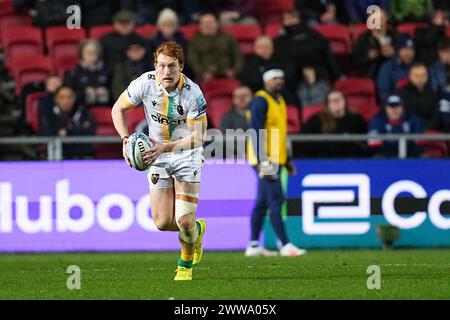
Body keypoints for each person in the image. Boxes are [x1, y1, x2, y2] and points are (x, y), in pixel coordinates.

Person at [111, 41, 208, 281]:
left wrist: (168, 146)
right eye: (162, 66)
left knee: (183, 220)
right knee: (163, 222)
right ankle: (196, 229)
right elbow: (117, 110)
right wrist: (125, 139)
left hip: (186, 153)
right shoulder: (144, 83)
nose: (166, 72)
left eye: (172, 66)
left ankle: (184, 267)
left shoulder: (193, 93)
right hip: (157, 155)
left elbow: (199, 137)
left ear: (181, 67)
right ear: (155, 66)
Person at [246, 68, 306, 257]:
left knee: (263, 202)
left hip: (276, 158)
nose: (279, 81)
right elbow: (255, 131)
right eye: (274, 78)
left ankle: (254, 245)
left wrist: (287, 160)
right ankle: (285, 244)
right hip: (265, 159)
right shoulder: (261, 101)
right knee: (276, 199)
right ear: (266, 81)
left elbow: (280, 135)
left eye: (281, 78)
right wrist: (263, 160)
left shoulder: (280, 101)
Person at [301, 89, 368, 158]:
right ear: (327, 104)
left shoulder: (356, 119)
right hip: (326, 160)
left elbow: (365, 141)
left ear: (345, 101)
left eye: (338, 99)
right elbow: (305, 139)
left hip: (352, 160)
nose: (336, 103)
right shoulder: (317, 120)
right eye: (332, 101)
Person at [39, 86, 96, 159]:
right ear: (55, 99)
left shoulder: (84, 112)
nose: (66, 101)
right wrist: (76, 131)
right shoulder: (50, 115)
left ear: (74, 98)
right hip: (58, 157)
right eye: (61, 97)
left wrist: (67, 131)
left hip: (83, 157)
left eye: (69, 97)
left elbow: (90, 132)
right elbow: (47, 134)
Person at [187, 12, 244, 81]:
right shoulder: (194, 41)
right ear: (200, 26)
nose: (208, 25)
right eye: (205, 23)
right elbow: (193, 60)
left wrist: (234, 71)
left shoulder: (228, 38)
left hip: (228, 71)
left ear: (217, 24)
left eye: (211, 22)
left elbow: (238, 56)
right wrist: (202, 73)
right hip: (204, 74)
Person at [352, 9, 399, 78]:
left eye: (380, 20)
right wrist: (368, 57)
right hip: (373, 74)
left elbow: (406, 53)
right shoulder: (363, 39)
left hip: (394, 71)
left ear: (386, 20)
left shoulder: (394, 35)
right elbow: (354, 60)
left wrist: (394, 53)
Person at [64, 39, 110, 107]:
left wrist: (105, 92)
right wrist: (84, 93)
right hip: (82, 108)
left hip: (105, 107)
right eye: (88, 52)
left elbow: (114, 93)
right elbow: (69, 94)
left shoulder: (107, 71)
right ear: (82, 54)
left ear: (99, 53)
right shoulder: (74, 73)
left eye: (94, 52)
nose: (91, 55)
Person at [397, 63, 440, 130]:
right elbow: (402, 115)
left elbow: (435, 118)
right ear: (410, 76)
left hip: (428, 132)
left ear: (427, 76)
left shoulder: (433, 94)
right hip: (408, 131)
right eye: (416, 76)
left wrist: (424, 129)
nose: (420, 78)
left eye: (423, 75)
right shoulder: (401, 93)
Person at [377, 34, 416, 103]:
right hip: (395, 106)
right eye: (404, 49)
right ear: (398, 51)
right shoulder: (387, 68)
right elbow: (384, 94)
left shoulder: (417, 66)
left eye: (411, 49)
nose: (408, 53)